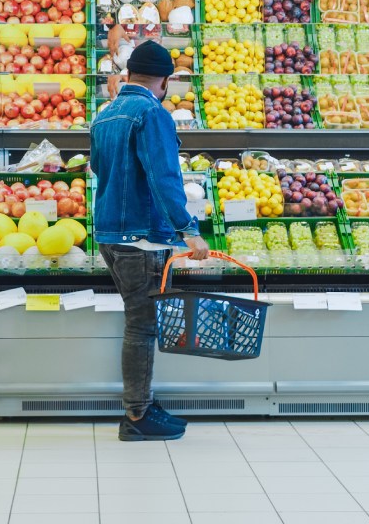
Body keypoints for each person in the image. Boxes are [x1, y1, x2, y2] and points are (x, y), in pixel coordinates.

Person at [90, 40, 210, 442]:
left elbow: (98, 169)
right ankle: (138, 415)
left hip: (110, 233)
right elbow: (164, 177)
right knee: (141, 327)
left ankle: (142, 402)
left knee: (139, 323)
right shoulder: (152, 114)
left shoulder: (105, 115)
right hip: (140, 237)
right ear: (165, 80)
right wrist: (188, 230)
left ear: (130, 74)